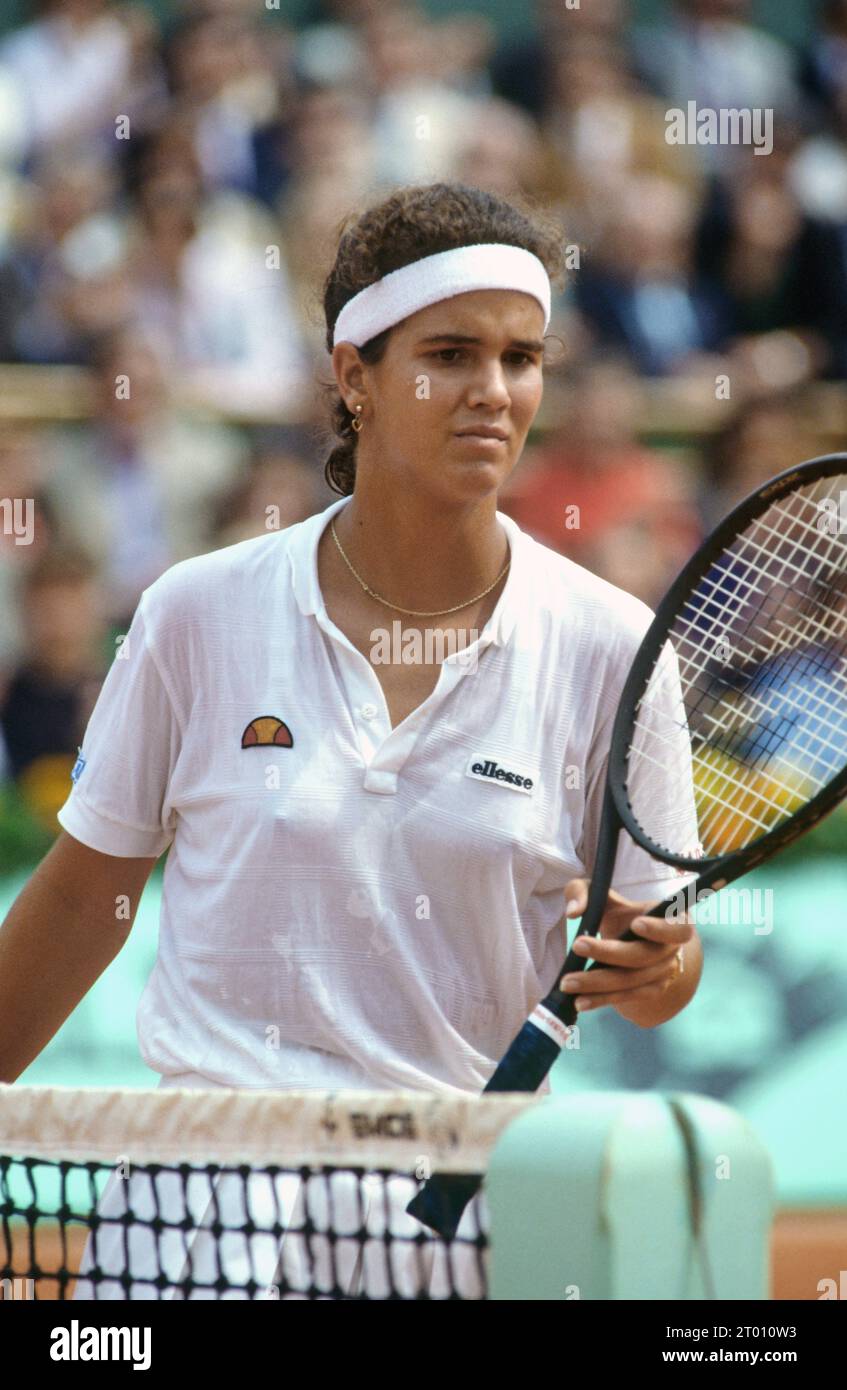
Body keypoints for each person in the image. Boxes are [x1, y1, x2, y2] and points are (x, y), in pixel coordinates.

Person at [0, 181, 702, 1298]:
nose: (493, 392)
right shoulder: (196, 611)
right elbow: (89, 896)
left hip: (459, 1210)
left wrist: (664, 963)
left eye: (521, 359)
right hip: (199, 1210)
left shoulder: (614, 647)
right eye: (450, 354)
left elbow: (654, 961)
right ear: (352, 376)